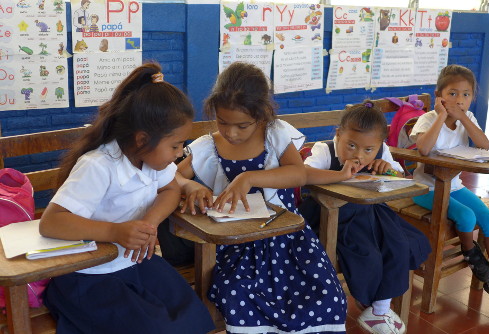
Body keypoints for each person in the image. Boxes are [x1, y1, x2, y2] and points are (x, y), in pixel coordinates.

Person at [39, 63, 215, 334]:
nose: (179, 153)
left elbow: (170, 190)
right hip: (89, 275)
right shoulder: (99, 166)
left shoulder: (151, 161)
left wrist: (149, 223)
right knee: (156, 329)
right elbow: (51, 222)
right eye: (175, 145)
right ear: (143, 139)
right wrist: (114, 231)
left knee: (193, 316)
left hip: (134, 262)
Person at [175, 62, 347, 334]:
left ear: (262, 115)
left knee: (326, 292)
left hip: (288, 240)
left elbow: (298, 174)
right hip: (236, 245)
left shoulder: (275, 135)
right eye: (222, 122)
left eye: (242, 125)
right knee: (235, 293)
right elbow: (171, 176)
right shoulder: (208, 146)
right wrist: (188, 186)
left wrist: (249, 177)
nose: (231, 133)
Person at [301, 101, 431, 334]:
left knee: (402, 243)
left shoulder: (381, 151)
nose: (359, 155)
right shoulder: (324, 149)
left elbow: (400, 175)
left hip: (370, 212)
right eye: (351, 145)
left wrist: (386, 167)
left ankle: (379, 309)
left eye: (369, 150)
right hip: (330, 216)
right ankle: (371, 302)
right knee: (367, 253)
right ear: (338, 134)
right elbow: (305, 175)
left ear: (379, 145)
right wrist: (339, 174)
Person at [410, 64, 489, 303]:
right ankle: (472, 255)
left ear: (472, 98)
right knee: (467, 217)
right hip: (425, 189)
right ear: (439, 95)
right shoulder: (427, 119)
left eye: (466, 94)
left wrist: (463, 118)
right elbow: (424, 148)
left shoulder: (467, 117)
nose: (459, 99)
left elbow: (484, 145)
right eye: (452, 93)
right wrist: (441, 115)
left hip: (455, 186)